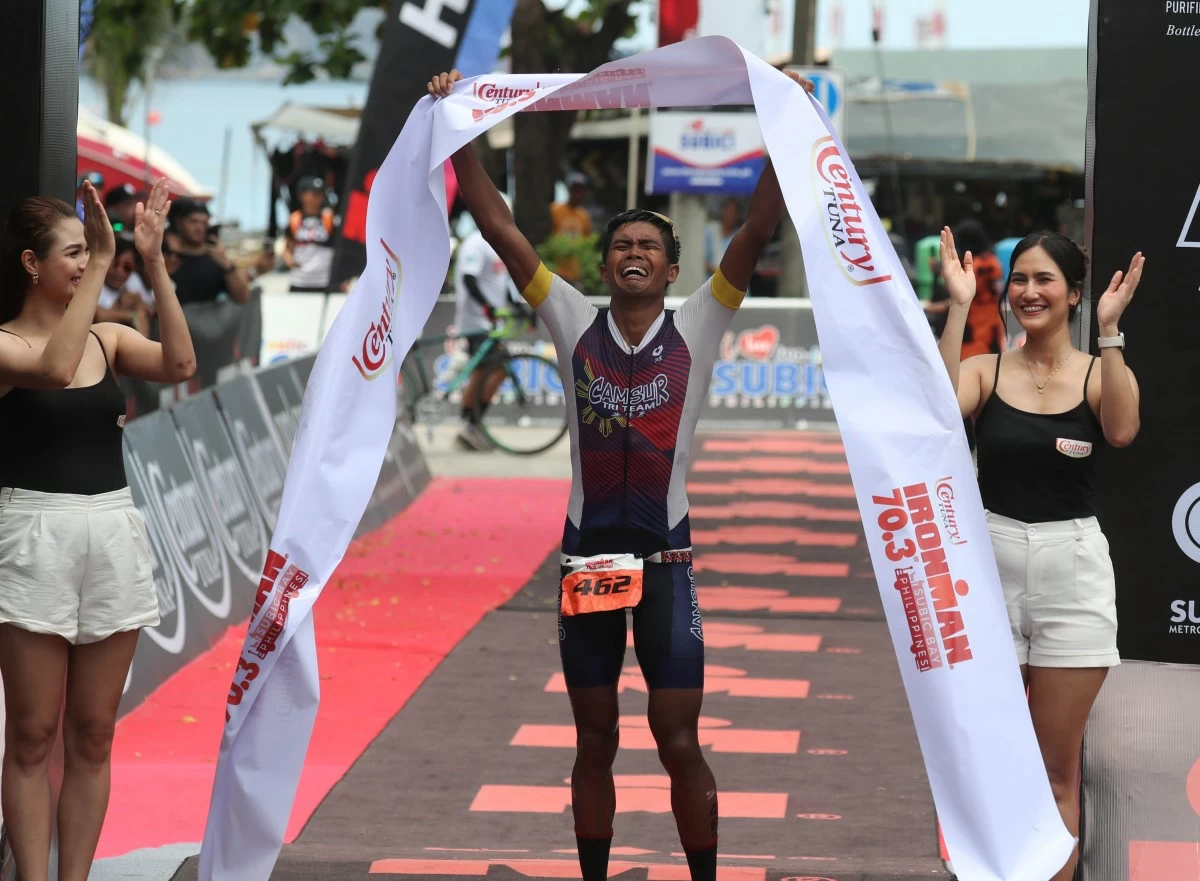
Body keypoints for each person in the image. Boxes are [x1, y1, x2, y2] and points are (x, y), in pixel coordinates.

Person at [429, 67, 814, 881]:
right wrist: (459, 128)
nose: (634, 254)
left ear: (674, 270)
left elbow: (754, 229)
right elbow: (500, 229)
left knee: (678, 739)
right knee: (593, 738)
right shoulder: (569, 317)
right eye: (622, 246)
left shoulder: (703, 322)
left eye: (649, 247)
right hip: (590, 562)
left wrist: (787, 123)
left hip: (667, 563)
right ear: (605, 266)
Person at [0, 178, 196, 881]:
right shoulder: (6, 345)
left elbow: (179, 364)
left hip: (111, 529)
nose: (89, 265)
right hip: (33, 533)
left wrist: (150, 262)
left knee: (93, 732)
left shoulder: (109, 340)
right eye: (76, 253)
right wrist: (109, 255)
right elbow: (52, 369)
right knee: (31, 734)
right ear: (32, 263)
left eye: (92, 252)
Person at [937, 226, 1143, 881]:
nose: (1029, 290)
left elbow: (1121, 428)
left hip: (1073, 570)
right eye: (1019, 278)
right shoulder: (984, 369)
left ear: (1075, 293)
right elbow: (934, 413)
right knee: (990, 766)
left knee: (1056, 769)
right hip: (988, 567)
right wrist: (960, 307)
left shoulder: (1095, 372)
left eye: (1044, 279)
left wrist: (1109, 331)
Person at [452, 206, 524, 452]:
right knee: (494, 370)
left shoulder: (495, 245)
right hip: (477, 321)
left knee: (483, 372)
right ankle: (470, 424)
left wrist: (517, 306)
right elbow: (468, 279)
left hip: (491, 321)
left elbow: (501, 283)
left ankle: (470, 423)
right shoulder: (475, 243)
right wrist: (486, 307)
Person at [168, 199, 251, 305]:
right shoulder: (168, 257)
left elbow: (242, 297)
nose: (199, 228)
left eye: (204, 223)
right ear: (179, 223)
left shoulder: (215, 259)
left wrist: (227, 265)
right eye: (193, 221)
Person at [283, 176, 337, 293]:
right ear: (302, 196)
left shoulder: (330, 219)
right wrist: (289, 260)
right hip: (299, 280)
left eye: (320, 194)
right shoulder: (294, 219)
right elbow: (287, 247)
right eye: (313, 193)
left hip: (324, 281)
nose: (318, 197)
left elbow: (339, 248)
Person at [94, 238, 153, 336]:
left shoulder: (131, 285)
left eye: (127, 268)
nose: (119, 271)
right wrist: (130, 314)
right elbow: (99, 316)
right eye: (115, 264)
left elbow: (145, 312)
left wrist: (139, 307)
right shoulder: (91, 282)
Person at [549, 172, 593, 285]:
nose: (577, 193)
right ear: (569, 189)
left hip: (575, 274)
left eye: (580, 189)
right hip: (555, 271)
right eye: (575, 189)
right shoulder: (555, 210)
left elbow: (586, 245)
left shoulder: (584, 216)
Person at [704, 198, 741, 277]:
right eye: (729, 212)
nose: (731, 216)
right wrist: (716, 272)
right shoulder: (710, 231)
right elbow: (700, 259)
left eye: (734, 213)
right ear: (723, 212)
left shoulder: (740, 237)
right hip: (708, 283)